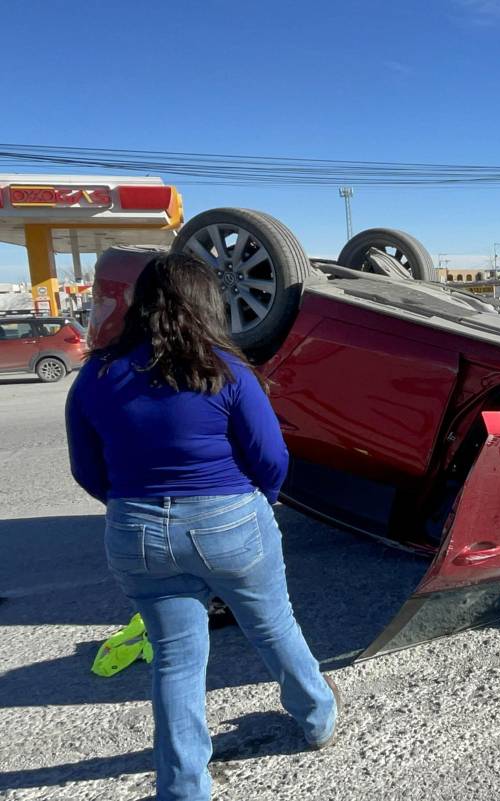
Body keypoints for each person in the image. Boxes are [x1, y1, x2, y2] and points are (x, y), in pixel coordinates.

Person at [65, 253, 339, 801]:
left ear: (139, 303)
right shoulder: (226, 369)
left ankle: (184, 787)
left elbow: (87, 471)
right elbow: (271, 457)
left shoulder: (97, 374)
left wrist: (133, 505)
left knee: (174, 659)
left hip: (137, 530)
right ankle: (316, 719)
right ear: (209, 303)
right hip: (229, 520)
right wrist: (259, 504)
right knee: (274, 626)